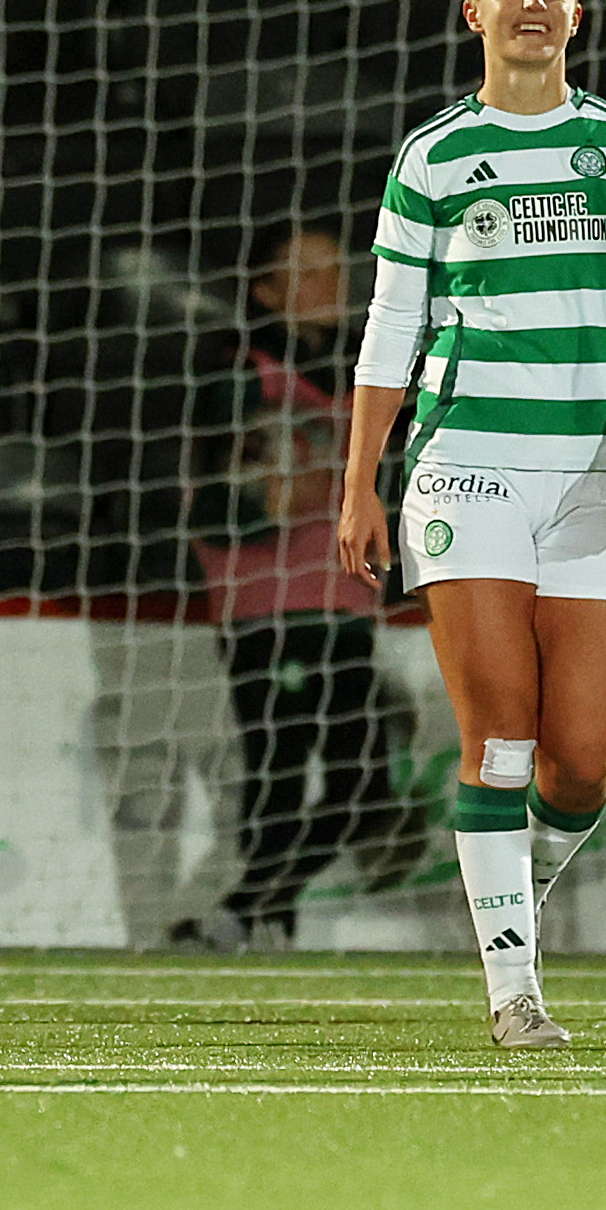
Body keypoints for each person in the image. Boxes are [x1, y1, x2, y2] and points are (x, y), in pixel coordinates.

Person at [335, 0, 606, 1050]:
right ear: (470, 9)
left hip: (585, 474)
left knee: (580, 768)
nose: (533, 3)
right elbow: (393, 323)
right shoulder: (433, 156)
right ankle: (512, 987)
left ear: (578, 14)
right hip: (465, 463)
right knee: (502, 741)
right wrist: (360, 482)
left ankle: (507, 890)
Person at [199, 222, 424, 944]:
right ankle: (260, 920)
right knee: (282, 769)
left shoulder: (363, 377)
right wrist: (271, 494)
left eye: (335, 271)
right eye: (308, 274)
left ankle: (253, 909)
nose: (331, 288)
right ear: (264, 292)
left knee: (361, 778)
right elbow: (224, 502)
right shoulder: (243, 372)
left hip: (344, 601)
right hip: (268, 603)